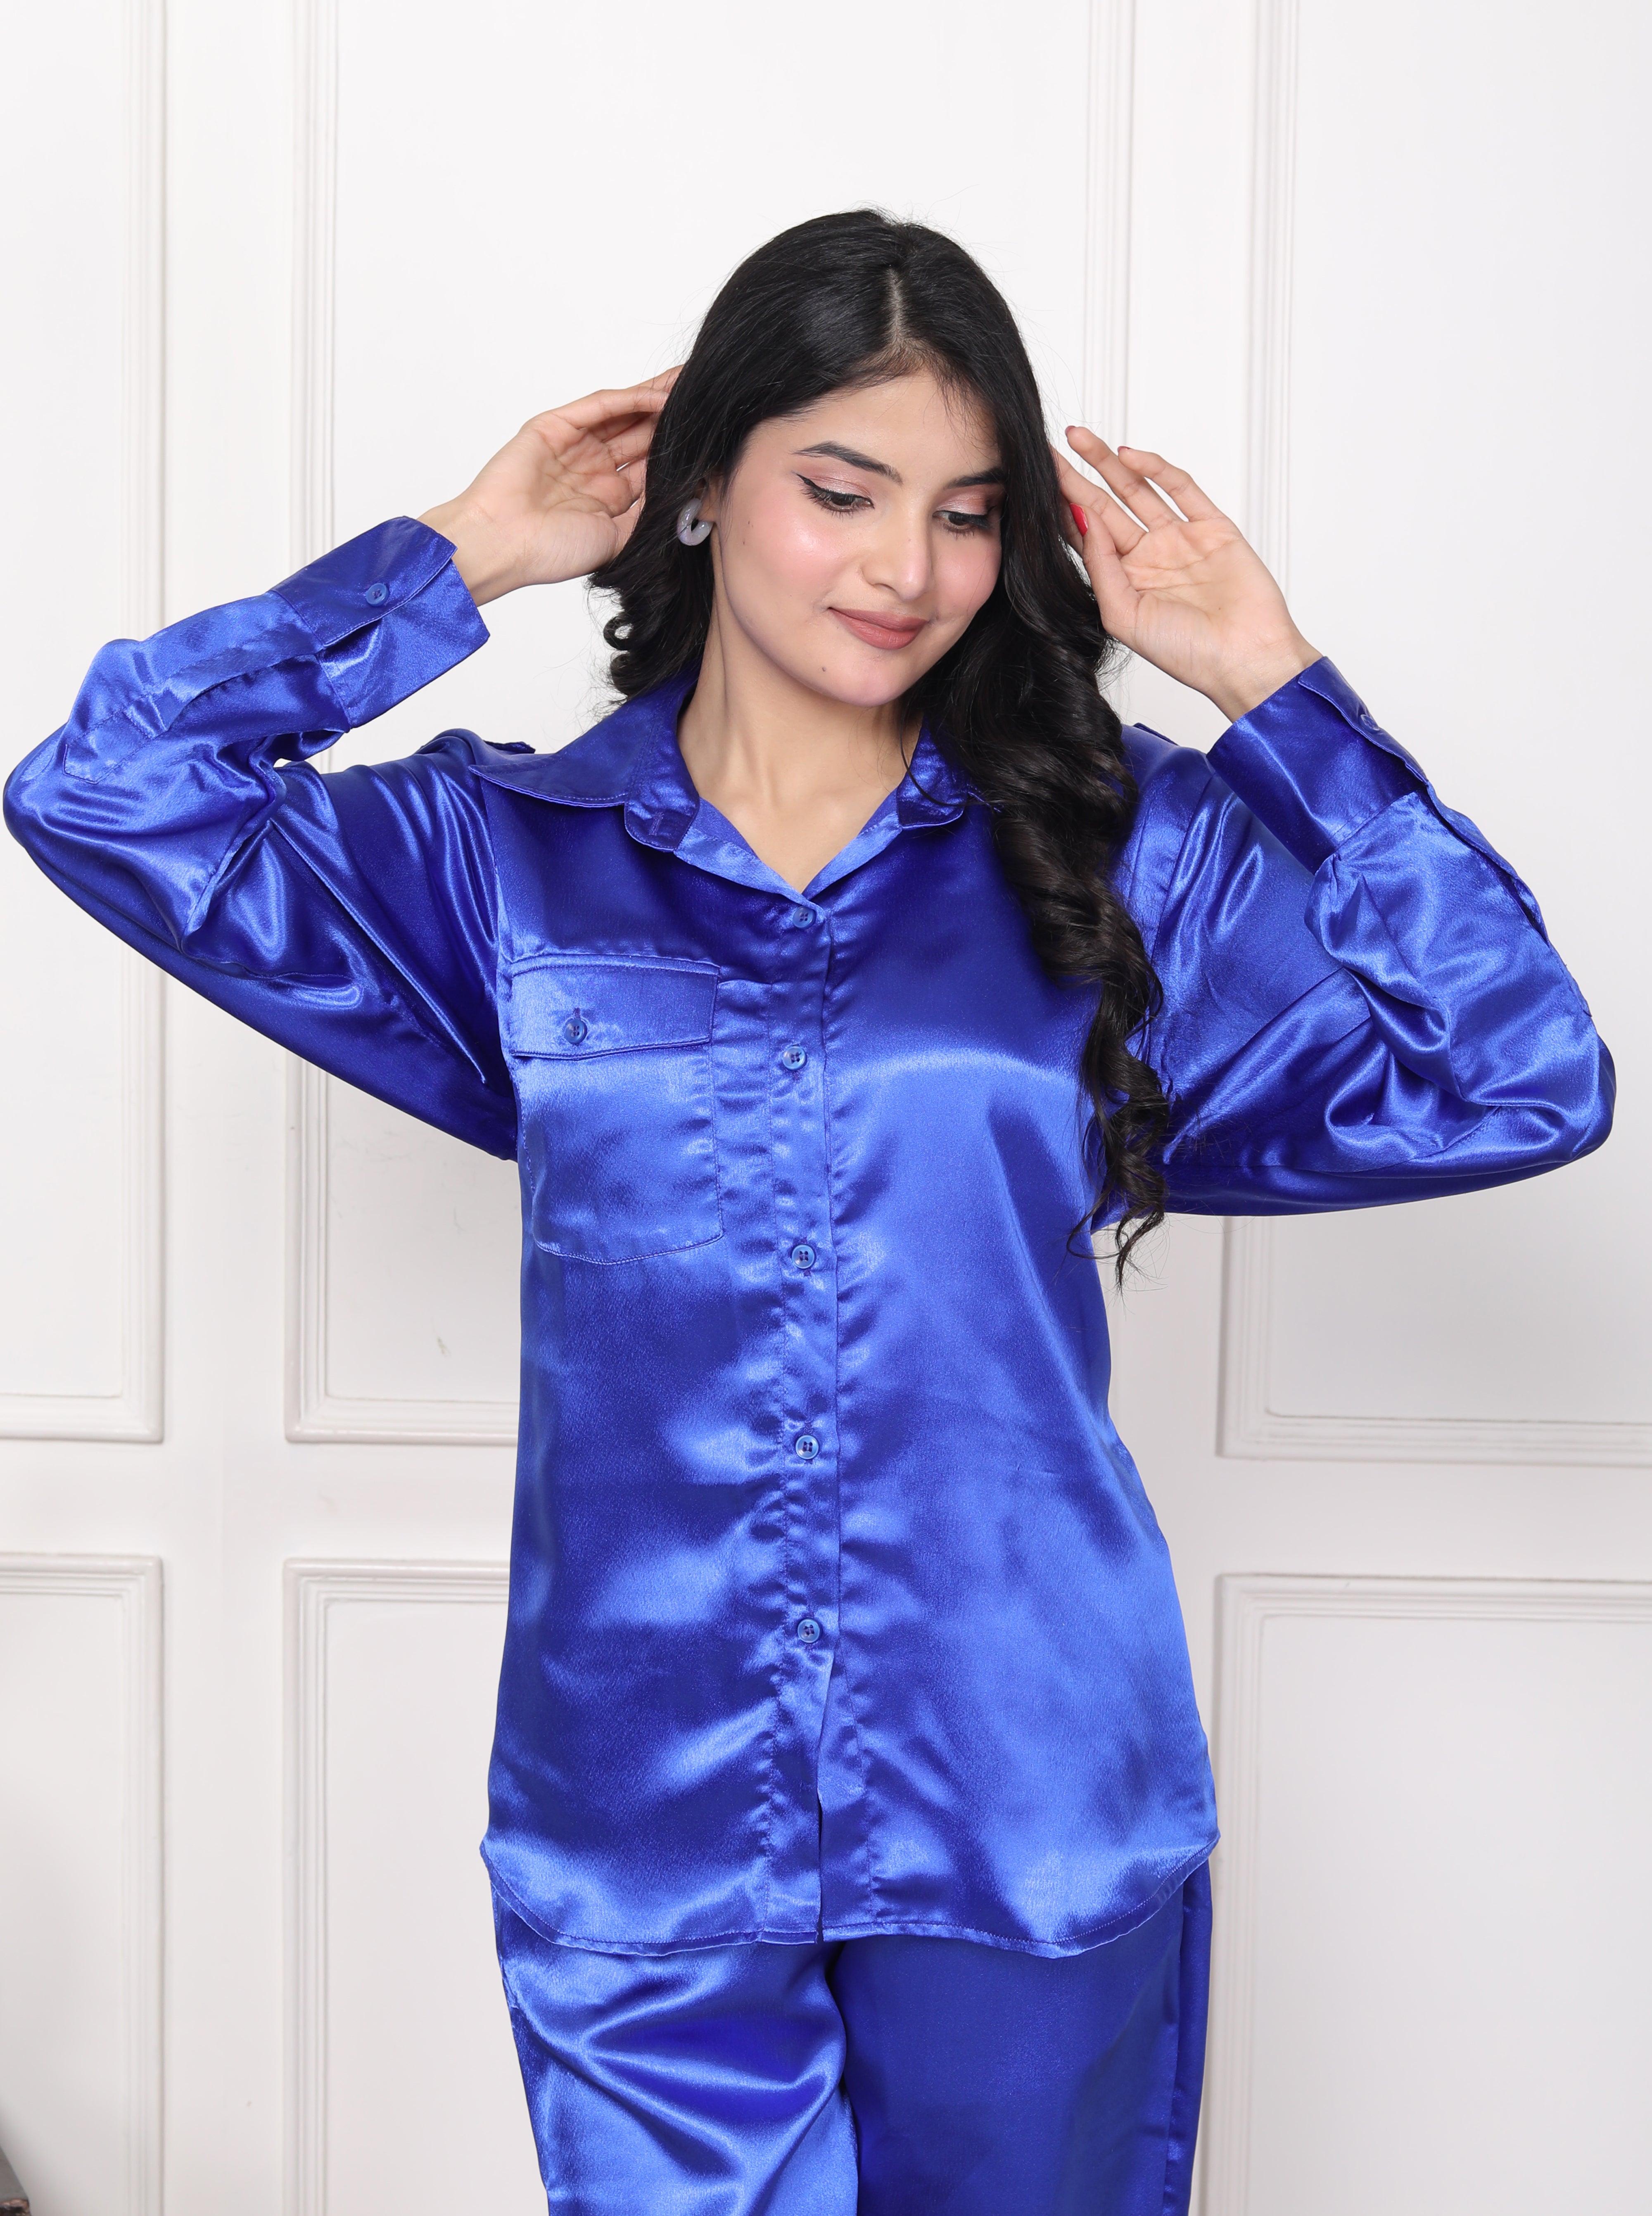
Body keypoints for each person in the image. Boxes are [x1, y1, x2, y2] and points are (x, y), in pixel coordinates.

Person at [5, 209, 1612, 2214]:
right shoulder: (499, 861)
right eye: (839, 492)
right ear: (699, 487)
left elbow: (1516, 1067)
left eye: (966, 513)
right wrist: (463, 549)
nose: (902, 569)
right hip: (647, 1820)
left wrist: (1274, 689)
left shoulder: (1125, 851)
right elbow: (105, 786)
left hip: (1028, 1804)